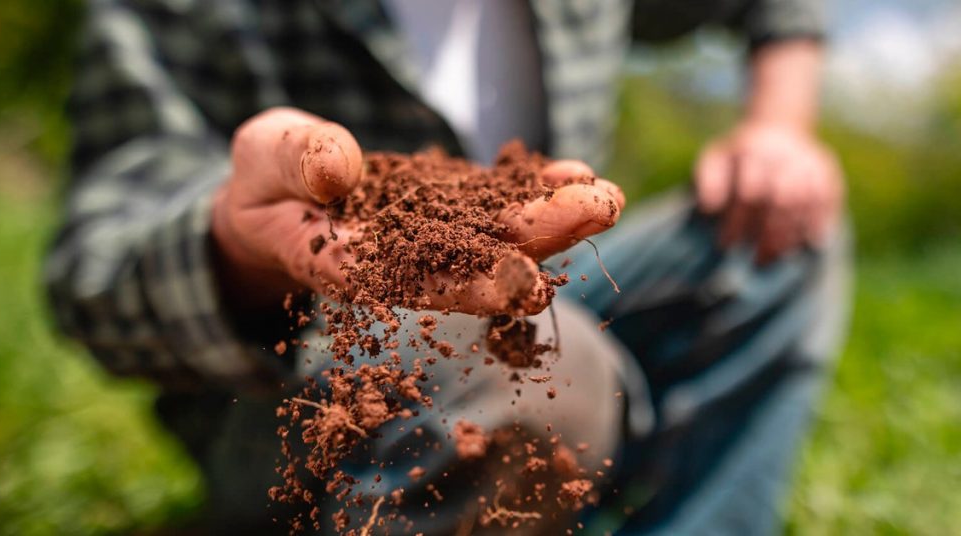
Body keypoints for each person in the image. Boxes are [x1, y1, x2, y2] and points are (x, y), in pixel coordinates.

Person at [45, 0, 850, 533]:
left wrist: (779, 124)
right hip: (295, 376)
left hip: (546, 291)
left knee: (780, 230)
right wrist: (239, 242)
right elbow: (94, 266)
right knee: (544, 376)